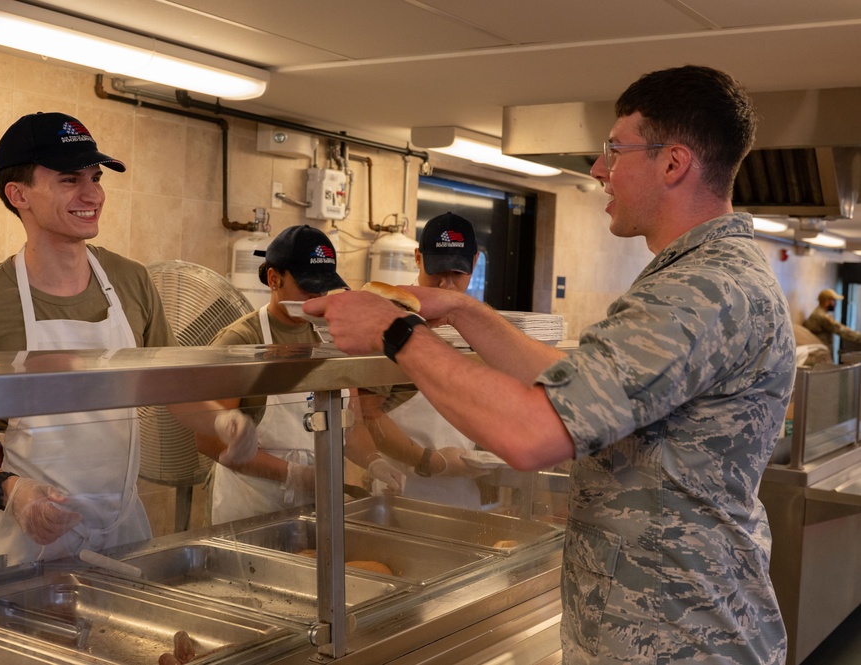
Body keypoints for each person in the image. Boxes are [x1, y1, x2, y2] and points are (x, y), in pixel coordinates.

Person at [306, 65, 795, 664]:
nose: (598, 169)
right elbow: (577, 381)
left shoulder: (701, 288)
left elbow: (534, 434)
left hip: (677, 640)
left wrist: (395, 331)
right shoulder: (705, 273)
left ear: (673, 163)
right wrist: (463, 311)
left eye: (615, 150)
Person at [0, 112, 176, 565]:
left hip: (125, 534)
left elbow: (178, 387)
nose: (93, 193)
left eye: (95, 177)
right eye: (69, 179)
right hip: (28, 545)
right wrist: (12, 492)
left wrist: (228, 427)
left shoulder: (133, 283)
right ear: (18, 195)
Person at [193, 224, 406, 524]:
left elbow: (351, 426)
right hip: (251, 508)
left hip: (316, 510)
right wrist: (291, 474)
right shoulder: (240, 342)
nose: (317, 297)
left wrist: (375, 463)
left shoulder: (335, 338)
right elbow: (208, 440)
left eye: (323, 287)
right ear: (273, 278)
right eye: (307, 286)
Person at [362, 212, 489, 509]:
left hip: (463, 499)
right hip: (396, 497)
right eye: (436, 271)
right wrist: (431, 462)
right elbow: (365, 418)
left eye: (457, 273)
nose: (445, 285)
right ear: (417, 259)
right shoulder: (389, 320)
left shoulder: (482, 326)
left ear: (474, 262)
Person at [803, 288, 861, 357]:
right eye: (834, 300)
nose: (835, 303)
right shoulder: (822, 316)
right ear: (827, 301)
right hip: (820, 354)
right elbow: (842, 331)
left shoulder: (817, 313)